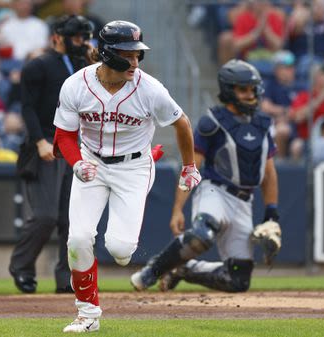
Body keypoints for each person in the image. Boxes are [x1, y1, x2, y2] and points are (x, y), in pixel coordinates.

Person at [53, 20, 201, 333]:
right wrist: (77, 162)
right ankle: (87, 314)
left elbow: (183, 123)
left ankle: (152, 156)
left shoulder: (150, 89)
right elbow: (64, 135)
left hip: (133, 168)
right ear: (107, 54)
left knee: (120, 251)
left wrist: (189, 166)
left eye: (138, 55)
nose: (135, 62)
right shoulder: (75, 85)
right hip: (91, 163)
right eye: (127, 54)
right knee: (78, 239)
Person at [129, 59, 281, 298]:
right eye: (244, 89)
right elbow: (192, 166)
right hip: (215, 191)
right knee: (201, 235)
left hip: (244, 201)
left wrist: (272, 212)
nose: (250, 95)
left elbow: (269, 172)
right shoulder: (212, 122)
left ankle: (183, 269)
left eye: (253, 89)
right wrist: (178, 209)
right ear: (230, 91)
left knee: (238, 280)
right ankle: (154, 270)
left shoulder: (263, 124)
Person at [8, 15, 95, 295]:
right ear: (58, 37)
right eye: (78, 37)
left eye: (85, 37)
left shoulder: (85, 65)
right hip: (47, 145)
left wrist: (96, 63)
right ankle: (21, 266)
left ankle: (65, 277)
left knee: (71, 218)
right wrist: (38, 141)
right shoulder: (39, 65)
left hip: (76, 147)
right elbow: (27, 108)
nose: (83, 42)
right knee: (45, 215)